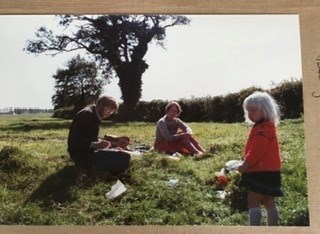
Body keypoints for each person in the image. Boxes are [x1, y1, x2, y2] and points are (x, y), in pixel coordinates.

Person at [237, 91, 283, 226]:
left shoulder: (262, 128)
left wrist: (246, 163)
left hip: (260, 170)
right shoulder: (268, 126)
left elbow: (257, 150)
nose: (250, 114)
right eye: (248, 111)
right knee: (269, 201)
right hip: (272, 171)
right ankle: (273, 227)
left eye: (253, 110)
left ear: (265, 109)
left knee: (253, 200)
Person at [67, 95, 130, 177]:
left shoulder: (93, 115)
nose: (109, 114)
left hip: (87, 151)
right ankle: (89, 169)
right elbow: (74, 141)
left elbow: (90, 139)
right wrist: (95, 145)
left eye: (111, 112)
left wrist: (111, 149)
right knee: (124, 158)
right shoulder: (86, 115)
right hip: (80, 154)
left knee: (121, 155)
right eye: (109, 110)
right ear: (101, 105)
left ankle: (94, 170)